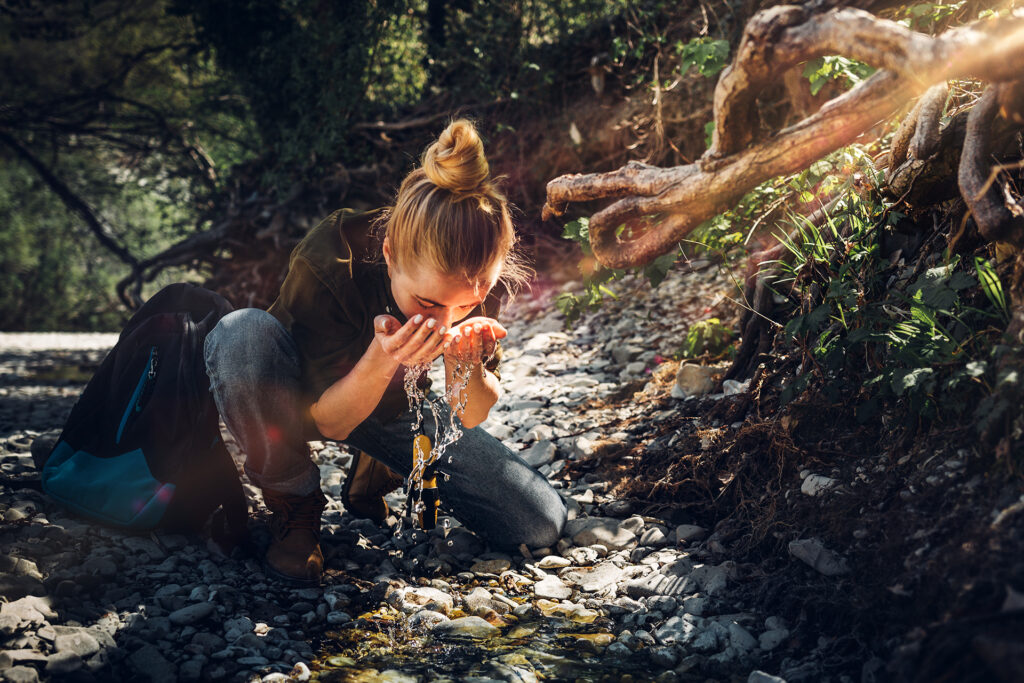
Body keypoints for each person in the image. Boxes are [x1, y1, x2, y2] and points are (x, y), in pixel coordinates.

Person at [203, 119, 568, 585]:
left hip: (392, 407)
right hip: (295, 395)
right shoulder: (334, 255)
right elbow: (328, 422)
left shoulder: (473, 270)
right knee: (241, 333)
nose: (445, 321)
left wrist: (465, 365)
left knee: (538, 522)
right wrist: (383, 358)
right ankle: (293, 504)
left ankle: (375, 468)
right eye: (430, 303)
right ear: (391, 254)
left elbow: (470, 414)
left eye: (465, 305)